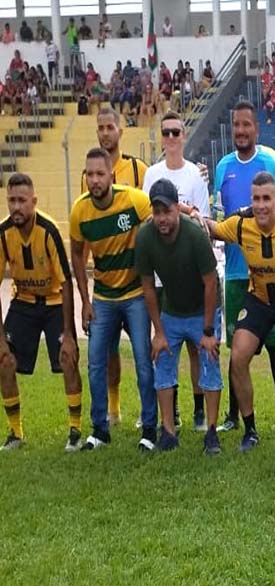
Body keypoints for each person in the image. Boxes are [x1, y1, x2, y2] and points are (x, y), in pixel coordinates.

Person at [199, 172, 275, 453]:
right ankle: (251, 430)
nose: (261, 205)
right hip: (259, 300)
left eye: (266, 198)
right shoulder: (241, 224)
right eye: (256, 199)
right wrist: (186, 213)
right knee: (239, 356)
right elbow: (212, 229)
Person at [213, 101, 275, 435]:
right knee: (236, 348)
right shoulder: (222, 167)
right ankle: (234, 415)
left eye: (247, 125)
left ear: (256, 129)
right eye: (237, 125)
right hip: (235, 273)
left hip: (269, 273)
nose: (241, 131)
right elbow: (219, 219)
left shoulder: (271, 160)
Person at [70, 148, 156, 451]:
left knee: (144, 362)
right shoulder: (80, 211)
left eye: (100, 174)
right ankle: (100, 430)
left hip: (135, 295)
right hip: (103, 298)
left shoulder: (134, 200)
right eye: (90, 174)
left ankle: (149, 430)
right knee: (95, 363)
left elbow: (157, 223)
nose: (94, 180)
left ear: (111, 175)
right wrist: (86, 300)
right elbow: (77, 254)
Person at [136, 179, 222, 454]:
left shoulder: (195, 234)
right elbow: (147, 286)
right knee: (162, 362)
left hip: (203, 308)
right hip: (172, 309)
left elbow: (211, 282)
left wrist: (208, 332)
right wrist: (159, 332)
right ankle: (169, 432)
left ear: (177, 209)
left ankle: (211, 431)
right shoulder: (145, 236)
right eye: (157, 211)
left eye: (167, 211)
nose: (162, 218)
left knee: (209, 362)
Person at [0, 173, 82, 451]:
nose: (16, 207)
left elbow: (66, 283)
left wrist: (69, 334)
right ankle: (15, 433)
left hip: (54, 302)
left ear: (34, 201)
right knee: (4, 361)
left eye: (22, 200)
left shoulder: (48, 230)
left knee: (68, 358)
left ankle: (75, 429)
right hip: (23, 302)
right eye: (11, 200)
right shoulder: (3, 233)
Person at [79, 107, 149, 429]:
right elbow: (85, 232)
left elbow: (150, 219)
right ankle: (112, 411)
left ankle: (151, 417)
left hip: (138, 282)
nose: (105, 132)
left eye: (110, 127)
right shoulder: (88, 177)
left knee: (145, 353)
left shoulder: (137, 169)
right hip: (106, 285)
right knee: (105, 357)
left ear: (120, 130)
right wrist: (87, 298)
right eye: (100, 128)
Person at [142, 111, 212, 431]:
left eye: (176, 132)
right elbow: (150, 215)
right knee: (165, 346)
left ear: (184, 136)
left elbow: (202, 219)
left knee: (197, 348)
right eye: (166, 132)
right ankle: (173, 414)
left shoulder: (194, 176)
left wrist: (183, 211)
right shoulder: (152, 174)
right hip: (160, 274)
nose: (170, 138)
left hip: (189, 270)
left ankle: (200, 409)